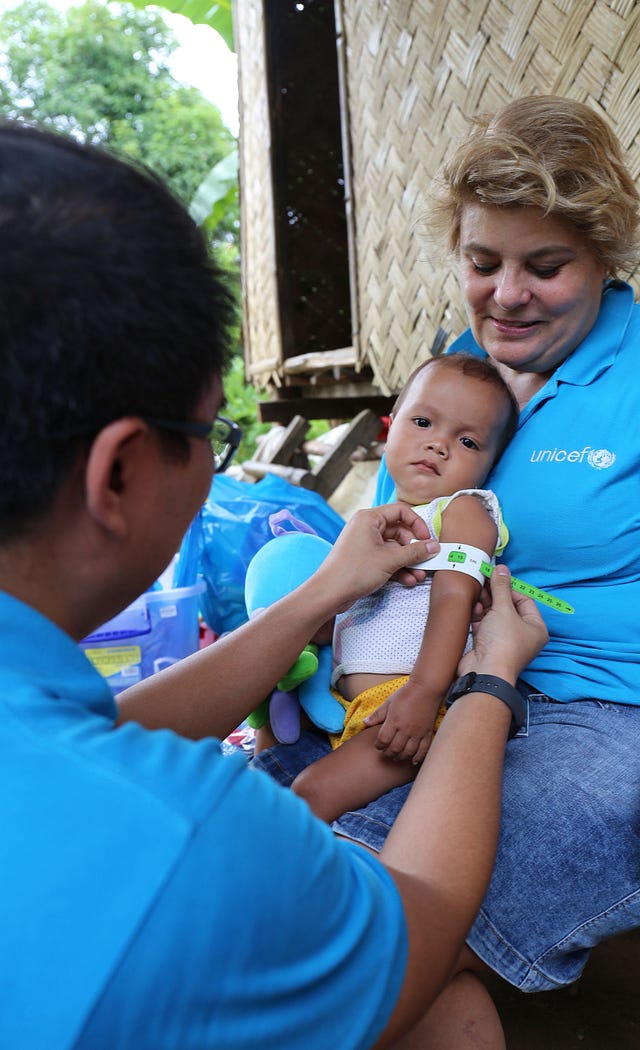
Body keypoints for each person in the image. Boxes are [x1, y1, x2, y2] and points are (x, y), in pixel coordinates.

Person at [0, 120, 550, 1050]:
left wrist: (322, 600)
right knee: (454, 989)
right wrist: (489, 682)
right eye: (212, 437)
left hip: (390, 698)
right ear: (121, 472)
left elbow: (102, 730)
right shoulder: (189, 838)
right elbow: (420, 930)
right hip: (395, 743)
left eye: (468, 441)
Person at [252, 95, 640, 1047]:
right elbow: (387, 535)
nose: (505, 297)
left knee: (360, 922)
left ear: (604, 260)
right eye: (482, 263)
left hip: (626, 707)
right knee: (311, 880)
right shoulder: (457, 371)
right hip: (467, 692)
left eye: (546, 267)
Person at [290, 353, 518, 822]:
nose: (438, 446)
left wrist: (425, 690)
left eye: (468, 441)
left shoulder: (462, 511)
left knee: (309, 795)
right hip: (351, 708)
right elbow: (340, 613)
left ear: (491, 465)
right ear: (388, 426)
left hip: (414, 706)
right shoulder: (370, 525)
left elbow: (455, 596)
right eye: (422, 422)